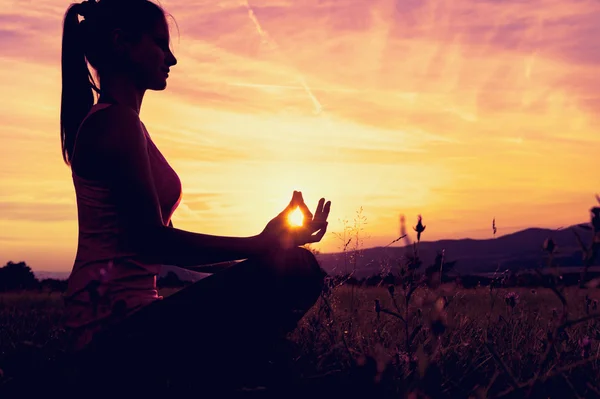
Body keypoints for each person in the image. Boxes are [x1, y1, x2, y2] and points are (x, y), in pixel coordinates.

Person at [58, 0, 332, 394]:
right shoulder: (114, 123)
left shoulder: (123, 123)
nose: (171, 58)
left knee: (286, 265)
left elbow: (152, 246)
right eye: (159, 43)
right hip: (110, 337)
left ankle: (230, 374)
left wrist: (264, 248)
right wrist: (260, 246)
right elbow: (153, 241)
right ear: (121, 43)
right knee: (296, 270)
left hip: (131, 322)